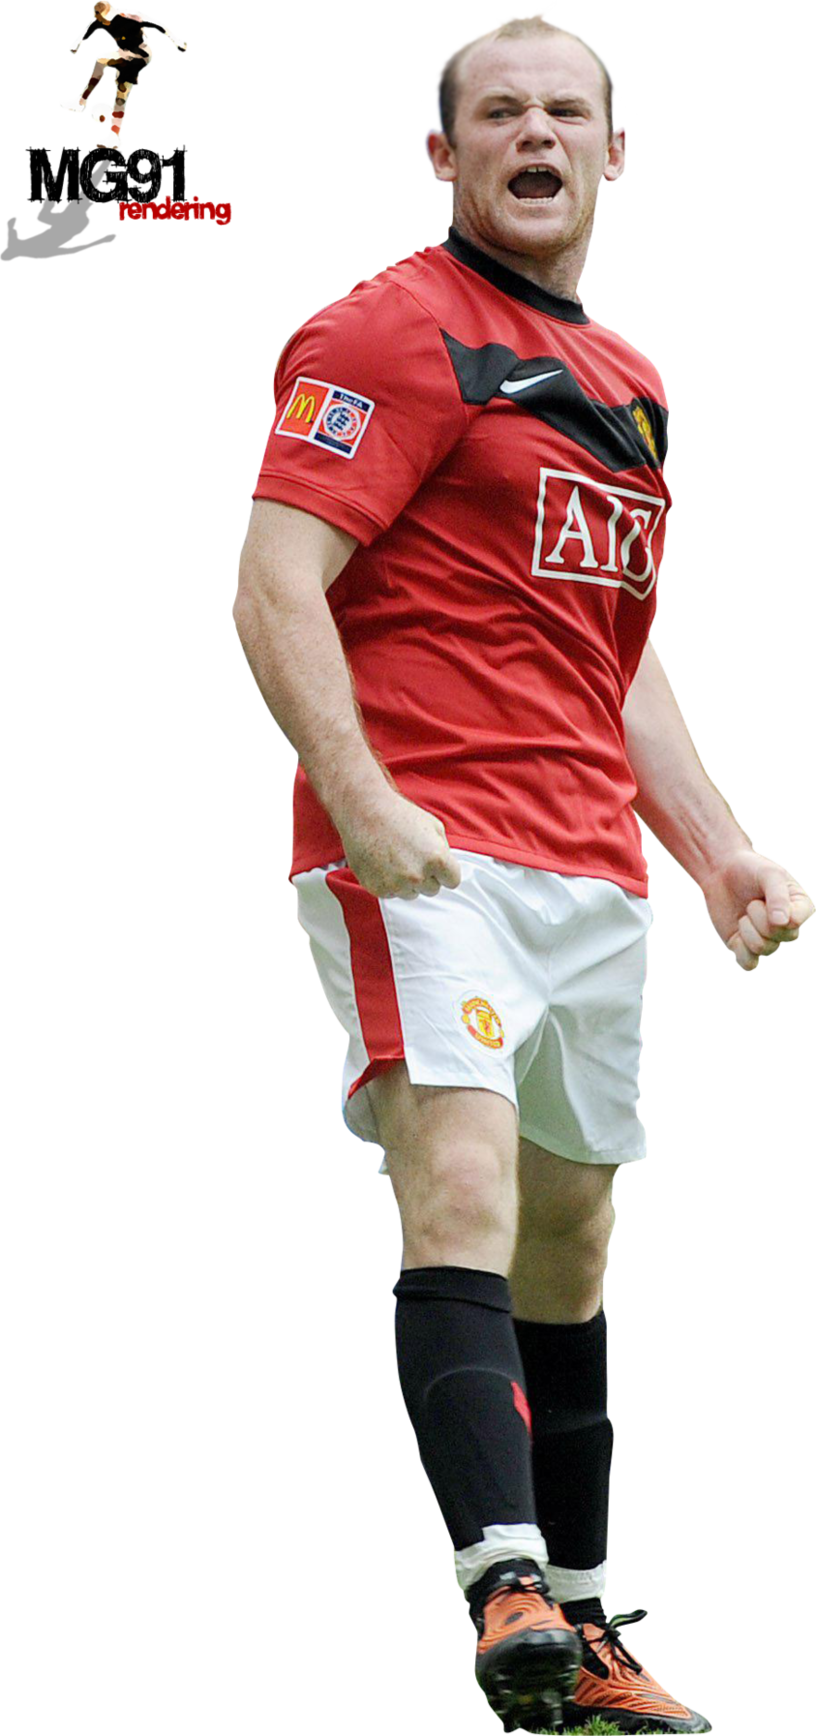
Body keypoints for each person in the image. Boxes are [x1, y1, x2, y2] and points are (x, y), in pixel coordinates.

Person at [232, 7, 813, 1731]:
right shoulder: (386, 330)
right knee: (463, 1180)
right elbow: (272, 583)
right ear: (445, 154)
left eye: (566, 111)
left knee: (574, 1237)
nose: (534, 135)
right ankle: (499, 1583)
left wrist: (715, 850)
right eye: (499, 113)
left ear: (617, 152)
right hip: (425, 849)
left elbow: (611, 653)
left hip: (591, 872)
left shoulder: (630, 378)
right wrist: (364, 800)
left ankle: (584, 1622)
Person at [58, 0, 188, 151]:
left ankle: (90, 111)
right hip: (124, 55)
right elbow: (86, 32)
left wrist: (178, 42)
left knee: (108, 69)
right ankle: (92, 113)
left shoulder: (130, 15)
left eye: (108, 20)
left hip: (141, 55)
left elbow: (160, 25)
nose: (106, 24)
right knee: (115, 80)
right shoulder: (97, 20)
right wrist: (76, 45)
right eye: (103, 21)